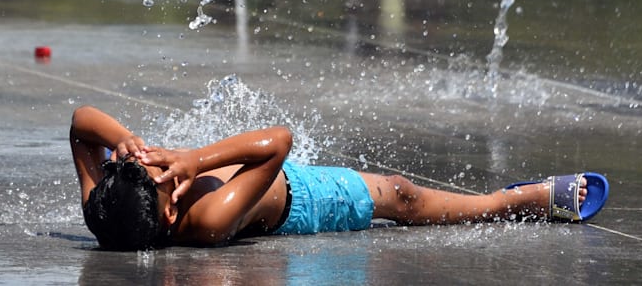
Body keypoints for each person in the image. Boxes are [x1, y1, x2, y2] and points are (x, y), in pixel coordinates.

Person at [70, 105, 609, 250]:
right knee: (400, 195)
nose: (157, 162)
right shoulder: (207, 220)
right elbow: (278, 142)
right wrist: (195, 161)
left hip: (263, 175)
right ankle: (508, 203)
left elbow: (80, 125)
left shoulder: (106, 211)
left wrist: (125, 140)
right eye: (161, 175)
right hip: (304, 200)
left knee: (398, 192)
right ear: (170, 212)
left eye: (137, 162)